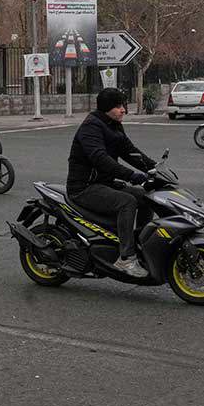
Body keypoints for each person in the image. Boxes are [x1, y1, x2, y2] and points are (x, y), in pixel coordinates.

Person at [67, 87, 156, 278]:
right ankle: (126, 258)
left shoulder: (113, 124)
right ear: (107, 108)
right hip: (84, 187)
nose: (123, 109)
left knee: (147, 196)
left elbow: (130, 151)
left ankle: (139, 243)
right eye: (118, 106)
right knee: (127, 201)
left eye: (123, 105)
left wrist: (155, 169)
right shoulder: (91, 126)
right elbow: (100, 159)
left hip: (103, 184)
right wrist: (132, 175)